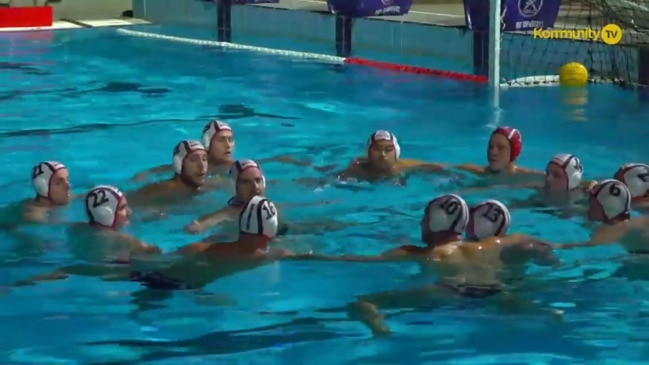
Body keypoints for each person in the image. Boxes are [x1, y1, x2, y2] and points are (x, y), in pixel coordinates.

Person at [292, 194, 557, 335]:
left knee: (364, 302)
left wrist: (308, 255)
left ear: (433, 222)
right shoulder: (488, 245)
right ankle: (554, 316)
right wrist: (549, 261)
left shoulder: (421, 253)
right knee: (537, 313)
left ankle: (384, 336)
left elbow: (360, 261)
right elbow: (534, 244)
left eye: (424, 218)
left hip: (449, 292)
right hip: (494, 290)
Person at [129, 195, 290, 290]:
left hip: (165, 278)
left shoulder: (201, 249)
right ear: (271, 232)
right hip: (173, 281)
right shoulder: (270, 256)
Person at [14, 185, 161, 286]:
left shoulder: (76, 229)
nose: (129, 212)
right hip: (113, 280)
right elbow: (157, 253)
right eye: (122, 208)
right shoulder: (125, 241)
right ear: (106, 214)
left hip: (74, 270)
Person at [269, 130, 447, 183]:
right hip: (346, 172)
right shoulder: (358, 169)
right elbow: (329, 180)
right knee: (320, 169)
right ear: (368, 153)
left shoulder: (405, 166)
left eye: (388, 150)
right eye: (377, 149)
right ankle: (288, 160)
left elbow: (443, 167)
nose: (382, 155)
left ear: (397, 153)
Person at [558, 179, 649, 254]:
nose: (588, 209)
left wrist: (553, 245)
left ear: (605, 209)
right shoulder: (638, 221)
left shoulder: (610, 232)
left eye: (592, 205)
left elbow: (582, 248)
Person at [131, 120, 235, 181]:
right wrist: (148, 172)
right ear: (207, 142)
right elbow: (171, 168)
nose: (228, 145)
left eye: (230, 140)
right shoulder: (194, 159)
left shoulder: (236, 167)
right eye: (221, 140)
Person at [184, 159, 265, 234]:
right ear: (235, 186)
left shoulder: (273, 208)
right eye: (246, 182)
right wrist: (198, 226)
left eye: (258, 180)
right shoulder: (230, 214)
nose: (255, 187)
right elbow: (206, 222)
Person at [128, 140, 208, 206]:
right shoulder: (160, 191)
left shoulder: (208, 187)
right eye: (193, 160)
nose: (202, 166)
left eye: (204, 159)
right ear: (179, 164)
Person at [455, 126, 541, 181]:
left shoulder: (529, 178)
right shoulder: (475, 172)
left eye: (501, 148)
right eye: (491, 147)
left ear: (513, 152)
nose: (493, 152)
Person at [1, 161, 73, 225]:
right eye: (59, 183)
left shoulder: (62, 198)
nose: (68, 186)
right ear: (43, 188)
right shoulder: (34, 215)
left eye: (67, 179)